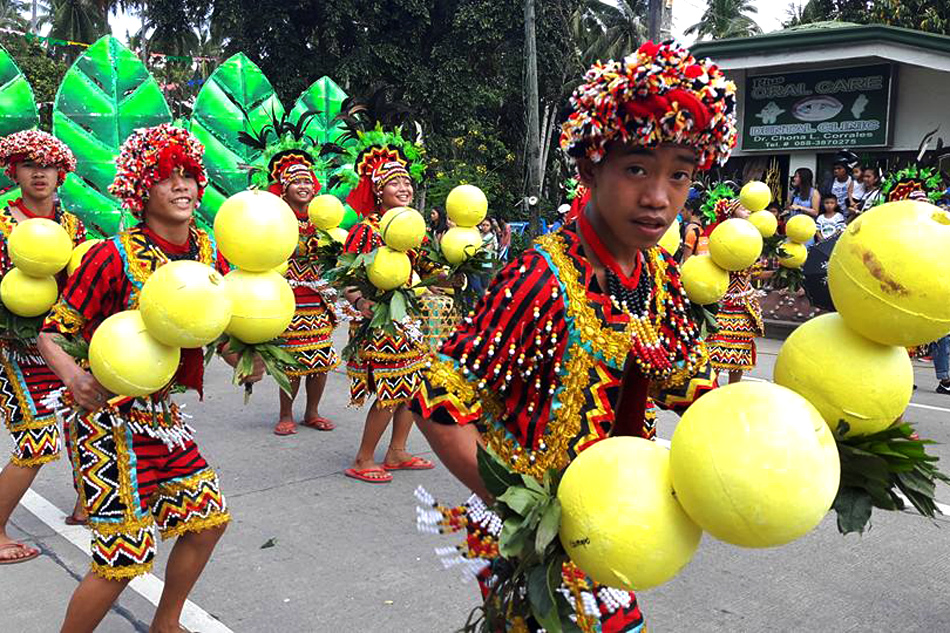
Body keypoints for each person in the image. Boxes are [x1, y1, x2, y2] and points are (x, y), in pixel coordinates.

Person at [411, 40, 732, 630]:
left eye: (679, 176)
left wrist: (785, 433)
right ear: (589, 170)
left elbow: (681, 379)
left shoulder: (656, 273)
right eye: (637, 168)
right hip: (547, 536)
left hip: (614, 524)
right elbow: (437, 402)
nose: (659, 197)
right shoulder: (540, 279)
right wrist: (523, 514)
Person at [37, 124, 262, 632]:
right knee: (121, 560)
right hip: (105, 424)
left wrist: (246, 357)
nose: (182, 186)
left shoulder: (211, 254)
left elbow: (215, 330)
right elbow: (51, 334)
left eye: (189, 176)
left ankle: (166, 623)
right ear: (142, 190)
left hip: (164, 418)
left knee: (208, 522)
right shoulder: (108, 256)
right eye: (166, 177)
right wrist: (74, 378)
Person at [0, 129, 87, 564]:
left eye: (49, 165)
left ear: (61, 173)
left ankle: (85, 503)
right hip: (10, 349)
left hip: (64, 345)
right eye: (30, 164)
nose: (40, 173)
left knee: (87, 420)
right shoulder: (0, 222)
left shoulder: (72, 226)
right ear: (13, 170)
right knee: (35, 443)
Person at [331, 133, 435, 484]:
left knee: (413, 386)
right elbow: (347, 277)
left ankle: (397, 451)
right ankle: (363, 458)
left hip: (410, 317)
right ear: (379, 192)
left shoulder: (411, 228)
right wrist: (360, 302)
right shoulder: (365, 230)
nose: (404, 187)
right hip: (379, 321)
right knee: (391, 389)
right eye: (395, 183)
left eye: (406, 181)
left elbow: (422, 270)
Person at [258, 137, 340, 436]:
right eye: (296, 182)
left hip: (318, 298)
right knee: (291, 361)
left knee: (320, 360)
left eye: (307, 181)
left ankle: (312, 412)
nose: (303, 186)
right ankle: (285, 414)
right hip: (287, 297)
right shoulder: (275, 219)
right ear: (284, 187)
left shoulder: (324, 221)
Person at [706, 197, 765, 385]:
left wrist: (786, 264)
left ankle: (733, 391)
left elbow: (757, 271)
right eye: (743, 208)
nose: (748, 211)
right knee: (716, 349)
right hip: (723, 303)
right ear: (731, 212)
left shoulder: (752, 238)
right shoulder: (721, 238)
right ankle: (710, 388)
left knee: (740, 353)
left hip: (743, 305)